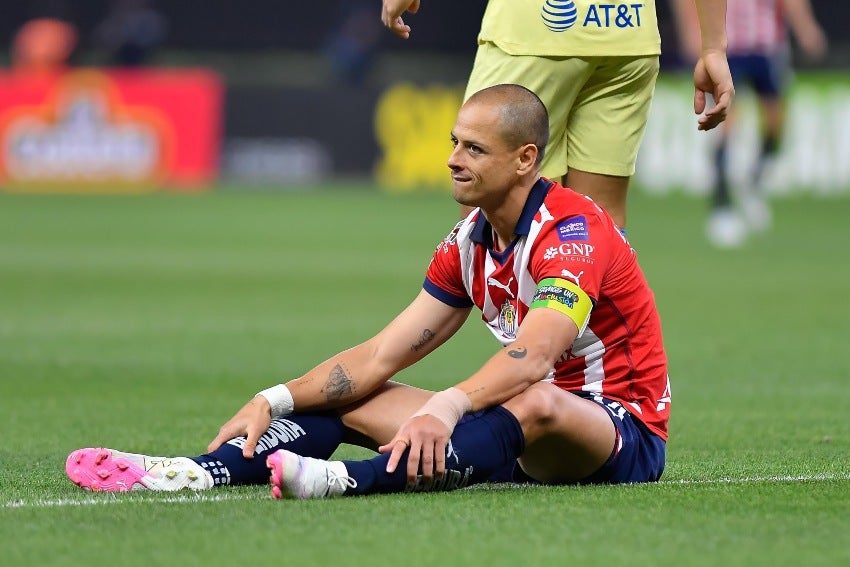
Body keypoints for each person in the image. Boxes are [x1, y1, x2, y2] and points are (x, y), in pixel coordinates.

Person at [66, 84, 670, 499]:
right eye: (454, 142)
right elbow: (382, 354)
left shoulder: (570, 230)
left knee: (538, 397)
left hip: (618, 434)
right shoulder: (468, 240)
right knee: (347, 399)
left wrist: (448, 404)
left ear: (525, 159)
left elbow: (536, 355)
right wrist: (276, 398)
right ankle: (194, 473)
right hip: (508, 429)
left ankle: (354, 480)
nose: (454, 160)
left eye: (474, 148)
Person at [380, 0, 736, 230]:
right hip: (628, 34)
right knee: (599, 224)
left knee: (494, 215)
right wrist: (713, 47)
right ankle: (593, 349)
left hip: (537, 29)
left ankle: (534, 348)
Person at [671, 0, 827, 248]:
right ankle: (721, 207)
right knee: (728, 121)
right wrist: (691, 30)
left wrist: (806, 28)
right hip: (728, 48)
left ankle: (753, 183)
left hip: (768, 47)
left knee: (776, 124)